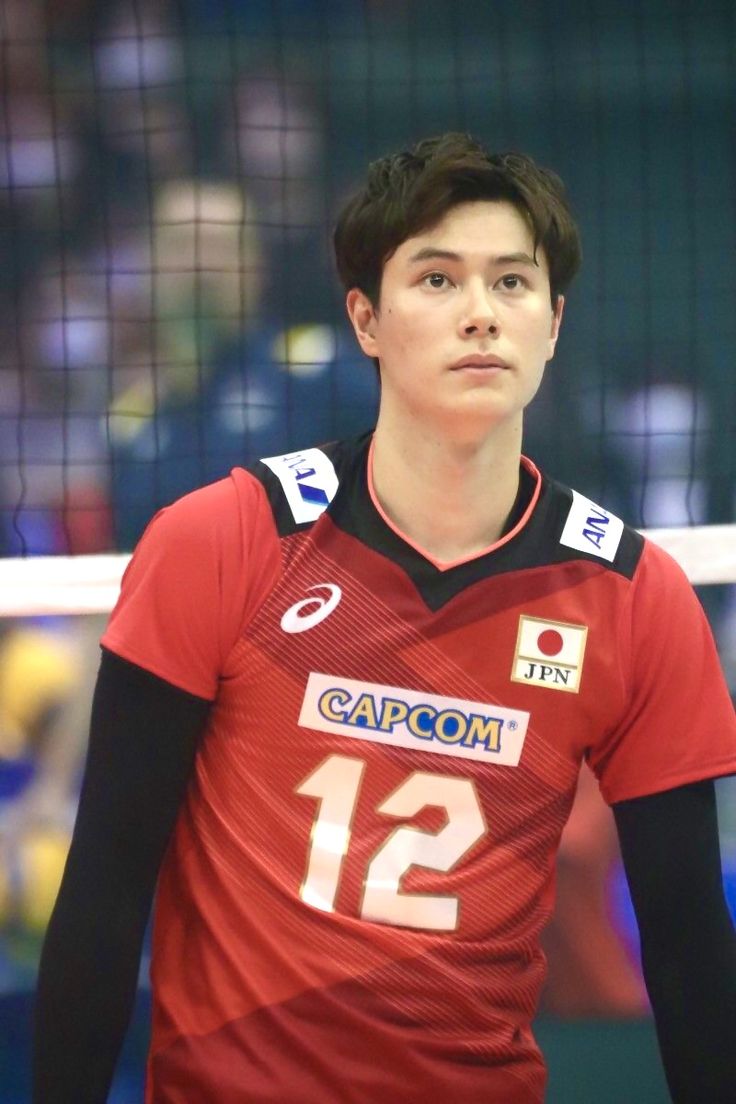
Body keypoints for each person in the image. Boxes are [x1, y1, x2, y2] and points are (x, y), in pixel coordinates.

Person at [34, 133, 736, 1103]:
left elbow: (689, 943)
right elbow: (107, 884)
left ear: (554, 323)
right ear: (365, 318)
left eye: (512, 284)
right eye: (438, 280)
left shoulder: (634, 598)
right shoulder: (223, 542)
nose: (481, 315)